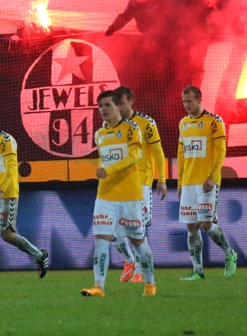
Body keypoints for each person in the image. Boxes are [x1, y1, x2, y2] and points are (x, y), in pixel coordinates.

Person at [81, 90, 156, 297]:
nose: (103, 109)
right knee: (101, 239)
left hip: (130, 196)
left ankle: (150, 283)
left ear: (117, 107)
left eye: (107, 105)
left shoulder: (131, 129)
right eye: (100, 106)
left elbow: (134, 156)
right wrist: (104, 173)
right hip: (105, 195)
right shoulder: (99, 134)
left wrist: (109, 170)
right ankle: (98, 286)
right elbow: (104, 162)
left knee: (138, 242)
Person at [0, 108, 49, 282]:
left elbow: (11, 167)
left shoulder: (6, 140)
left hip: (6, 194)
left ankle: (39, 254)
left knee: (6, 234)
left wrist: (0, 189)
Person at [176, 85, 237, 281]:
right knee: (191, 227)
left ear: (199, 99)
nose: (186, 105)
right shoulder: (183, 123)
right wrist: (179, 184)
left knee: (205, 223)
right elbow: (181, 155)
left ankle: (229, 253)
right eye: (184, 101)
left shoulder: (214, 121)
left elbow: (221, 150)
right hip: (188, 183)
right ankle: (198, 270)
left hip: (207, 182)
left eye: (190, 101)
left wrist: (212, 177)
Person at [111, 86, 166, 284]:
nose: (120, 108)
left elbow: (158, 150)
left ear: (131, 101)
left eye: (122, 103)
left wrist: (161, 179)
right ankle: (129, 261)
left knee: (137, 230)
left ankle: (140, 272)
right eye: (116, 104)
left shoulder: (146, 123)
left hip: (141, 184)